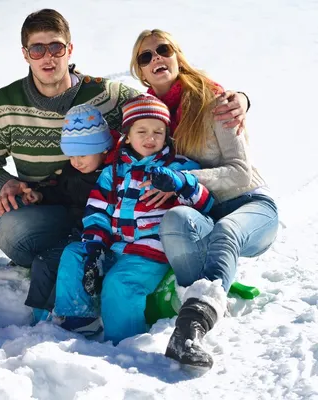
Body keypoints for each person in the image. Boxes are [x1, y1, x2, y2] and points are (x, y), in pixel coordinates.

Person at [0, 8, 249, 318]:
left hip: (83, 208)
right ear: (25, 53)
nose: (47, 56)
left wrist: (238, 100)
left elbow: (158, 113)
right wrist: (4, 184)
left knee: (15, 227)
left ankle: (70, 256)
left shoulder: (106, 95)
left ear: (69, 50)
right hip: (30, 204)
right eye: (37, 49)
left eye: (56, 47)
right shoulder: (7, 102)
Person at [129, 29, 279, 369]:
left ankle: (191, 327)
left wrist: (184, 180)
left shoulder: (216, 101)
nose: (156, 58)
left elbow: (240, 172)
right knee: (175, 220)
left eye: (162, 49)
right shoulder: (150, 118)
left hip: (250, 204)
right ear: (140, 71)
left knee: (226, 232)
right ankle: (200, 296)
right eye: (145, 56)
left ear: (177, 55)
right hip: (204, 211)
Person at [53, 94, 215, 342]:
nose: (150, 138)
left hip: (149, 250)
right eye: (142, 131)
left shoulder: (179, 166)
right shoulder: (113, 171)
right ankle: (78, 319)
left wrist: (182, 183)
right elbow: (97, 211)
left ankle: (124, 341)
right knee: (75, 254)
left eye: (158, 132)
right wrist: (95, 245)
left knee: (120, 283)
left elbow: (205, 203)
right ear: (127, 135)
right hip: (114, 245)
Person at [22, 103, 118, 321]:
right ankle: (39, 317)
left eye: (83, 154)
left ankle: (64, 315)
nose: (76, 162)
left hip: (104, 238)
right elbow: (62, 192)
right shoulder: (73, 171)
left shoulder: (116, 172)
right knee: (43, 262)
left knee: (68, 266)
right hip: (78, 232)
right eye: (72, 155)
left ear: (103, 148)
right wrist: (42, 196)